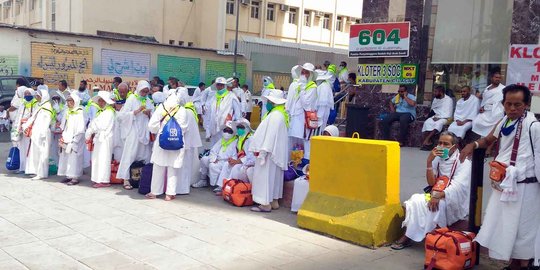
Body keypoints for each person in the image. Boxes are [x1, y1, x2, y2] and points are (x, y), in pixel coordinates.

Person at [462, 85, 540, 269]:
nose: (512, 108)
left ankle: (526, 263)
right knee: (506, 227)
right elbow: (488, 140)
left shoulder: (535, 127)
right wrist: (472, 145)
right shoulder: (504, 121)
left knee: (524, 230)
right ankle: (513, 263)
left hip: (525, 188)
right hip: (504, 185)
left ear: (527, 104)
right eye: (508, 104)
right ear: (503, 104)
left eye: (517, 105)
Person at [392, 132, 471, 249]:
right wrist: (429, 162)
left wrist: (437, 196)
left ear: (454, 147)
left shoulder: (464, 162)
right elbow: (431, 183)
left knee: (435, 206)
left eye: (446, 144)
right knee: (415, 200)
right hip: (436, 194)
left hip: (453, 199)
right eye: (440, 143)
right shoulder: (437, 159)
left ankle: (425, 238)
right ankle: (409, 235)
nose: (442, 146)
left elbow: (457, 187)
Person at [249, 90, 289, 212]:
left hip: (269, 153)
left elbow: (270, 136)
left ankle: (265, 204)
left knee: (265, 178)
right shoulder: (280, 114)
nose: (267, 103)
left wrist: (263, 152)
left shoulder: (275, 116)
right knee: (274, 178)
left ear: (273, 102)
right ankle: (274, 201)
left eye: (269, 101)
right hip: (275, 153)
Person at [146, 93, 192, 200]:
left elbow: (152, 126)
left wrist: (161, 129)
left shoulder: (161, 107)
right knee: (173, 168)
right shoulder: (182, 110)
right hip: (176, 142)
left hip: (162, 142)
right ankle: (170, 193)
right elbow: (184, 128)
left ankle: (155, 192)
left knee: (158, 167)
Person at [116, 80, 154, 190]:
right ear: (138, 89)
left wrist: (149, 113)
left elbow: (154, 115)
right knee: (130, 154)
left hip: (144, 132)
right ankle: (126, 180)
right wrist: (136, 111)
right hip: (133, 132)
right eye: (143, 91)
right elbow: (121, 116)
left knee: (144, 156)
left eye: (146, 92)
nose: (144, 93)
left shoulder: (148, 101)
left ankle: (141, 179)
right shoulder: (132, 99)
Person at [194, 121, 238, 193]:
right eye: (225, 130)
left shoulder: (235, 141)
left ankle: (220, 185)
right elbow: (213, 150)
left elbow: (234, 156)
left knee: (214, 166)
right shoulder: (222, 140)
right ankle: (203, 180)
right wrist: (213, 159)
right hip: (217, 159)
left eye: (229, 131)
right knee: (204, 159)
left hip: (226, 162)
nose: (227, 133)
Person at [85, 91, 116, 188]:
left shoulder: (109, 112)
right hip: (99, 138)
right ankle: (98, 178)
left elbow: (101, 125)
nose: (100, 103)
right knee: (97, 159)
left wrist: (92, 126)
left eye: (102, 101)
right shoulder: (102, 112)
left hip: (104, 139)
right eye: (99, 101)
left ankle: (104, 180)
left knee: (103, 159)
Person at [23, 86, 54, 180]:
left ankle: (42, 173)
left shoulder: (47, 107)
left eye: (38, 96)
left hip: (43, 134)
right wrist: (25, 126)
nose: (37, 97)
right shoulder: (41, 106)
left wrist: (43, 134)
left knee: (42, 153)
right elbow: (33, 118)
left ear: (43, 96)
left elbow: (47, 121)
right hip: (37, 133)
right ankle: (37, 172)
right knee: (36, 153)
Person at [288, 63, 318, 159]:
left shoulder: (312, 87)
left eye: (306, 72)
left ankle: (305, 164)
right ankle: (292, 164)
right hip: (295, 117)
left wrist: (302, 89)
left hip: (304, 119)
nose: (303, 74)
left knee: (305, 142)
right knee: (293, 140)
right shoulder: (296, 85)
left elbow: (306, 104)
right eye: (302, 72)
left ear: (311, 75)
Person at [57, 92, 85, 185]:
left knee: (74, 159)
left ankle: (75, 177)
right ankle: (68, 176)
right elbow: (63, 125)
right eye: (67, 100)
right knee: (65, 158)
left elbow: (81, 129)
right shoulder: (67, 111)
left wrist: (75, 141)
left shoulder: (79, 112)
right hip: (66, 138)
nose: (68, 102)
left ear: (75, 101)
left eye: (70, 101)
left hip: (75, 140)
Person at [12, 87, 38, 173]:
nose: (27, 95)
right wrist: (17, 128)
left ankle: (29, 169)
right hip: (21, 130)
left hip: (30, 130)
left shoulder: (35, 104)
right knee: (22, 149)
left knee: (29, 150)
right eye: (25, 94)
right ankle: (22, 168)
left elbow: (35, 117)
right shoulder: (23, 104)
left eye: (29, 94)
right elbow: (19, 117)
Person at [208, 77, 242, 145]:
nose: (220, 87)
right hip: (214, 127)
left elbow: (238, 113)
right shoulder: (214, 97)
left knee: (224, 146)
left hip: (226, 127)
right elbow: (210, 112)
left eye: (222, 85)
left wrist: (235, 124)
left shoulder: (231, 96)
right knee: (214, 146)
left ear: (225, 85)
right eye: (218, 85)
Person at [472, 72, 505, 137]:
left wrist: (485, 107)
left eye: (499, 78)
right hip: (485, 111)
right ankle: (483, 140)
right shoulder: (488, 88)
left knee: (493, 128)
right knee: (476, 122)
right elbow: (485, 98)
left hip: (496, 111)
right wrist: (482, 106)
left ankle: (489, 141)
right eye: (496, 77)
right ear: (492, 78)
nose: (498, 79)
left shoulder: (503, 89)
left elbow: (495, 101)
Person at [228, 118, 256, 184]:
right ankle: (227, 186)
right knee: (228, 165)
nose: (239, 129)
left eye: (241, 127)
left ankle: (245, 188)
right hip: (242, 161)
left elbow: (251, 157)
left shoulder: (251, 139)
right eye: (237, 127)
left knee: (241, 170)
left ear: (247, 128)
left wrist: (237, 161)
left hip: (251, 164)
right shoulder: (239, 138)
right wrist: (232, 160)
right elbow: (236, 152)